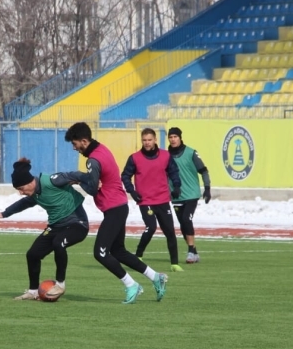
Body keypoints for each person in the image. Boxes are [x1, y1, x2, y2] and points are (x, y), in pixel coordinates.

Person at [62, 122, 168, 304]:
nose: (74, 148)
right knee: (118, 251)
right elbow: (95, 182)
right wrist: (88, 180)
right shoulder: (102, 149)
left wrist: (77, 179)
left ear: (84, 141)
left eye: (75, 143)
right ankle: (155, 277)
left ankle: (131, 285)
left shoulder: (93, 160)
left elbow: (93, 189)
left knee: (100, 253)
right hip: (118, 206)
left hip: (114, 208)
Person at [0, 157, 89, 301]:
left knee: (58, 243)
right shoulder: (34, 194)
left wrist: (93, 180)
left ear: (30, 183)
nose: (21, 192)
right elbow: (23, 204)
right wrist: (4, 213)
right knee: (33, 254)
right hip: (56, 226)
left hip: (77, 224)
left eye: (21, 189)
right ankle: (33, 291)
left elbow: (75, 175)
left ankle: (60, 285)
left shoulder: (51, 181)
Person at [121, 128, 184, 272]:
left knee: (170, 231)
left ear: (155, 140)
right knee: (151, 227)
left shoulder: (165, 156)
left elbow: (174, 172)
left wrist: (177, 187)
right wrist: (132, 191)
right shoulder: (134, 158)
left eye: (149, 140)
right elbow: (125, 176)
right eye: (144, 140)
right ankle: (138, 255)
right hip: (146, 201)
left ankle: (174, 263)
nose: (147, 143)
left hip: (162, 199)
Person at [167, 127, 212, 263]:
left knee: (187, 219)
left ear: (180, 138)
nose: (173, 139)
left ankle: (191, 251)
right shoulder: (165, 155)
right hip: (176, 195)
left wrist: (207, 188)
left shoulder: (191, 152)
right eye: (171, 137)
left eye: (175, 136)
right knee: (182, 226)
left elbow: (203, 171)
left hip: (192, 194)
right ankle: (194, 252)